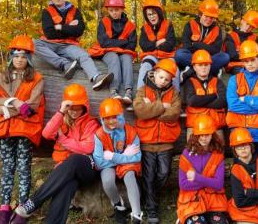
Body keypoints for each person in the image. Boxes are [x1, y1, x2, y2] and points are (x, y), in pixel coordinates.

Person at [13, 84, 100, 224]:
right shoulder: (62, 120)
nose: (74, 111)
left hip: (87, 169)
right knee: (67, 186)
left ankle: (34, 202)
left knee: (75, 158)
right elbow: (46, 133)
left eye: (78, 107)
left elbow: (87, 148)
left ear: (85, 106)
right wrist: (60, 112)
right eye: (70, 107)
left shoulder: (91, 123)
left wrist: (63, 139)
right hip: (66, 172)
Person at [0, 35, 45, 224]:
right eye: (16, 55)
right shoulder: (1, 77)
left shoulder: (36, 79)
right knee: (7, 167)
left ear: (29, 58)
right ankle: (4, 208)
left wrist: (7, 109)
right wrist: (16, 102)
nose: (20, 59)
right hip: (4, 129)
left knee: (23, 167)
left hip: (25, 130)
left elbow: (33, 106)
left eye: (24, 56)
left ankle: (22, 208)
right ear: (11, 56)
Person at [34, 0, 112, 90]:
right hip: (50, 43)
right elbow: (49, 33)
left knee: (83, 55)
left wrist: (60, 27)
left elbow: (79, 31)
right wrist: (70, 27)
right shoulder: (47, 12)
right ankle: (64, 64)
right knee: (33, 44)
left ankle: (96, 77)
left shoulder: (75, 11)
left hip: (69, 45)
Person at [133, 58, 181, 223]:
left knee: (164, 173)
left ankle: (149, 194)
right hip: (147, 141)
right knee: (148, 175)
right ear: (154, 74)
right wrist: (161, 106)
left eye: (167, 79)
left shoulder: (174, 93)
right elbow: (140, 111)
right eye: (161, 77)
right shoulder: (143, 90)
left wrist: (152, 107)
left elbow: (174, 114)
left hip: (166, 142)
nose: (163, 81)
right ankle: (152, 210)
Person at [226, 40, 258, 161]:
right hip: (239, 131)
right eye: (246, 61)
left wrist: (246, 99)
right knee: (240, 170)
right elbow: (233, 105)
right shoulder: (234, 80)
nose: (249, 64)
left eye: (252, 60)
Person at [93, 98, 143, 224]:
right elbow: (99, 162)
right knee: (108, 181)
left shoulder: (130, 131)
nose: (111, 121)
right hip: (109, 164)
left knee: (130, 176)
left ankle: (136, 214)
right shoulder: (99, 135)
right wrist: (124, 157)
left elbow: (137, 157)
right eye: (107, 118)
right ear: (102, 119)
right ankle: (118, 204)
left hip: (122, 163)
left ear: (120, 116)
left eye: (114, 117)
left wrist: (113, 156)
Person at [177, 115, 229, 224]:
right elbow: (183, 184)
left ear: (212, 135)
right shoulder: (186, 154)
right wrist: (210, 181)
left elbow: (219, 184)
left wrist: (197, 178)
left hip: (214, 200)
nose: (204, 138)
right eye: (201, 135)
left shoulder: (218, 154)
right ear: (195, 135)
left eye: (207, 135)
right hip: (192, 200)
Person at [88, 0, 137, 103]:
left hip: (125, 53)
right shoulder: (104, 22)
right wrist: (124, 42)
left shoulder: (130, 25)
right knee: (114, 58)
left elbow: (132, 45)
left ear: (122, 9)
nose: (114, 12)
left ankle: (128, 91)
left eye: (116, 10)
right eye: (111, 10)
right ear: (108, 10)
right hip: (107, 52)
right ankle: (114, 90)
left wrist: (115, 44)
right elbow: (104, 42)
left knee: (127, 58)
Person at [175, 0, 230, 81]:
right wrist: (207, 48)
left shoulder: (217, 30)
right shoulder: (190, 25)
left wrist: (197, 45)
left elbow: (216, 50)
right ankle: (212, 71)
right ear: (200, 14)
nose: (209, 20)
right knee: (179, 54)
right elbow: (187, 46)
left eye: (211, 17)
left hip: (208, 58)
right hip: (192, 57)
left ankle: (191, 71)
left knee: (225, 57)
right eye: (206, 16)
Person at [182, 50, 227, 139]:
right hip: (195, 126)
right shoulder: (189, 82)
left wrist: (200, 102)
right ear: (194, 67)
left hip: (216, 126)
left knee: (217, 152)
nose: (203, 68)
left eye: (206, 65)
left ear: (210, 66)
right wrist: (214, 96)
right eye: (200, 65)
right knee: (194, 152)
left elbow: (222, 101)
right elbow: (192, 101)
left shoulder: (217, 81)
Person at [137, 0, 178, 89]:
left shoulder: (168, 25)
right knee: (145, 65)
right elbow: (144, 46)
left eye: (154, 13)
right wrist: (158, 42)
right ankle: (140, 96)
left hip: (167, 56)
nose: (152, 17)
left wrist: (152, 45)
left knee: (174, 68)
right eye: (149, 14)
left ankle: (175, 97)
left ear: (159, 13)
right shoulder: (144, 28)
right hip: (151, 56)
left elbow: (170, 45)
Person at [224, 10, 258, 75]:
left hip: (252, 65)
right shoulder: (231, 36)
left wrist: (241, 53)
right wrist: (250, 57)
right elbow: (232, 56)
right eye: (247, 24)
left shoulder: (254, 38)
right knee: (245, 74)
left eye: (252, 26)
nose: (248, 27)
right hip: (235, 65)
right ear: (242, 21)